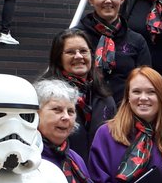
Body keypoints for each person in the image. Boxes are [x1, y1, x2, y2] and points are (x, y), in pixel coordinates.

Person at [38, 28, 116, 162]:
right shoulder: (44, 95)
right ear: (58, 58)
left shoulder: (105, 97)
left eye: (83, 51)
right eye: (70, 52)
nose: (79, 56)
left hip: (98, 176)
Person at [76, 0, 151, 103]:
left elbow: (146, 84)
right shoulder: (75, 39)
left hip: (126, 115)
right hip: (85, 112)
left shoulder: (137, 41)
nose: (108, 0)